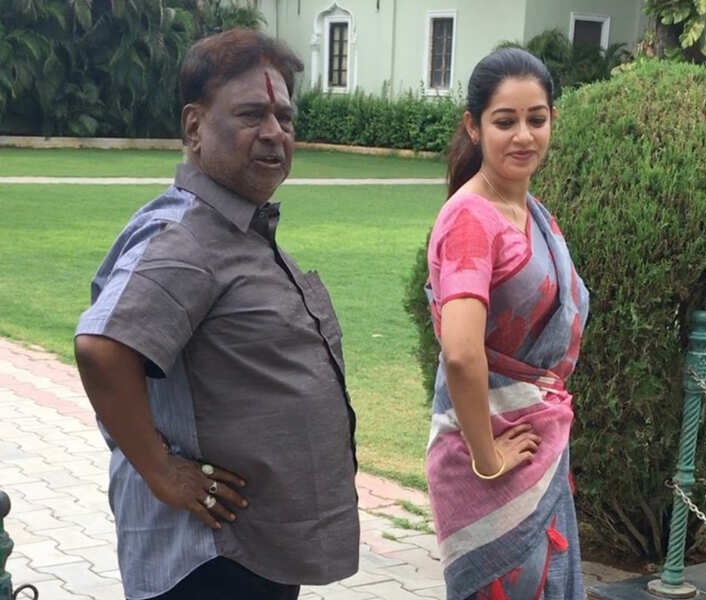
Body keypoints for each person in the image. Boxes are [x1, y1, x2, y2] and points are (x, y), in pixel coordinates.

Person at [73, 28, 359, 600]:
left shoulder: (236, 228)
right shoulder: (186, 237)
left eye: (285, 117)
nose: (274, 132)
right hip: (209, 560)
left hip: (253, 550)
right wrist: (162, 471)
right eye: (252, 114)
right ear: (194, 127)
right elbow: (102, 349)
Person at [424, 48, 590, 600]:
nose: (523, 136)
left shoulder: (530, 213)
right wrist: (487, 457)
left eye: (536, 119)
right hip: (492, 461)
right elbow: (461, 353)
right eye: (504, 122)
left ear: (552, 121)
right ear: (473, 127)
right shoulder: (471, 219)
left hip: (536, 444)